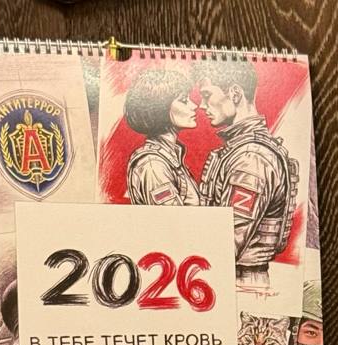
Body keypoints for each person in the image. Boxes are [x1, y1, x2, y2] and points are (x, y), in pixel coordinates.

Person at [197, 59, 298, 289]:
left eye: (207, 95)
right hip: (234, 280)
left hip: (240, 285)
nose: (202, 105)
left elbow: (226, 244)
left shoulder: (251, 157)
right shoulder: (242, 151)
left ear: (234, 93)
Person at [123, 66, 200, 205]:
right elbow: (170, 218)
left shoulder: (169, 156)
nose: (194, 105)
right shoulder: (153, 165)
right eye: (184, 100)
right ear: (160, 108)